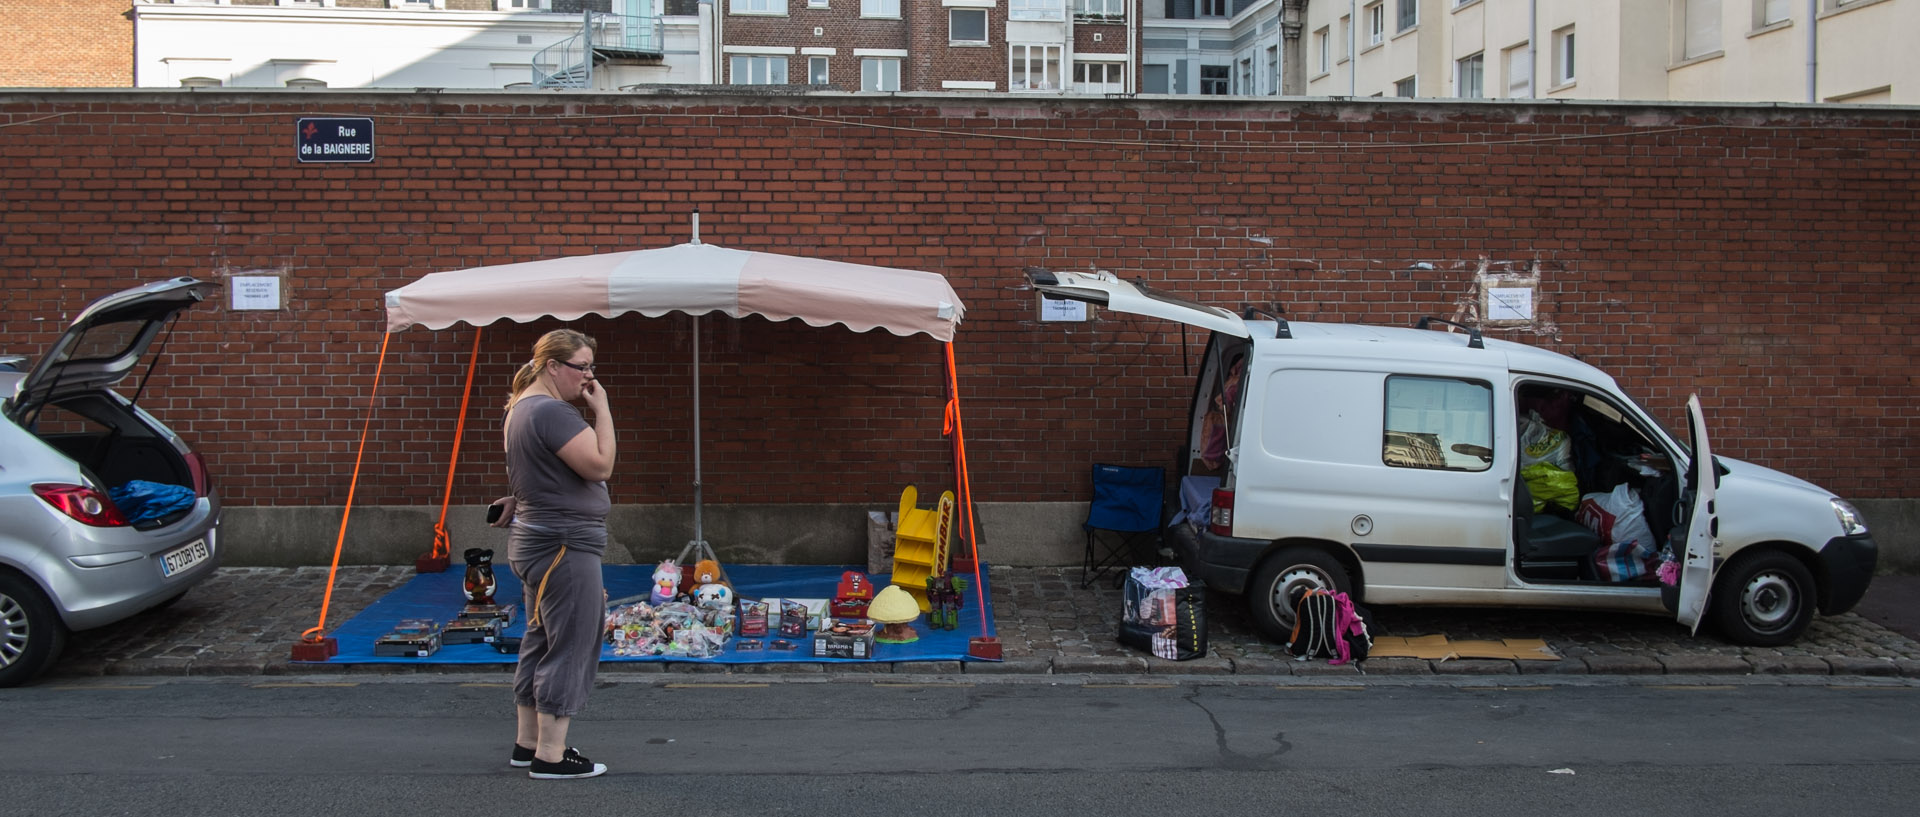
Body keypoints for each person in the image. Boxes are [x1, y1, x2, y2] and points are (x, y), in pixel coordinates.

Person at [488, 328, 615, 780]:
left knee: (540, 640)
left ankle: (528, 744)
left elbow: (536, 474)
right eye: (582, 367)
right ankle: (552, 755)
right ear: (552, 366)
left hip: (538, 540)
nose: (589, 377)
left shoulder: (521, 407)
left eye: (591, 367)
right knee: (572, 643)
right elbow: (600, 464)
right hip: (564, 543)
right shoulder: (552, 412)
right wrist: (602, 411)